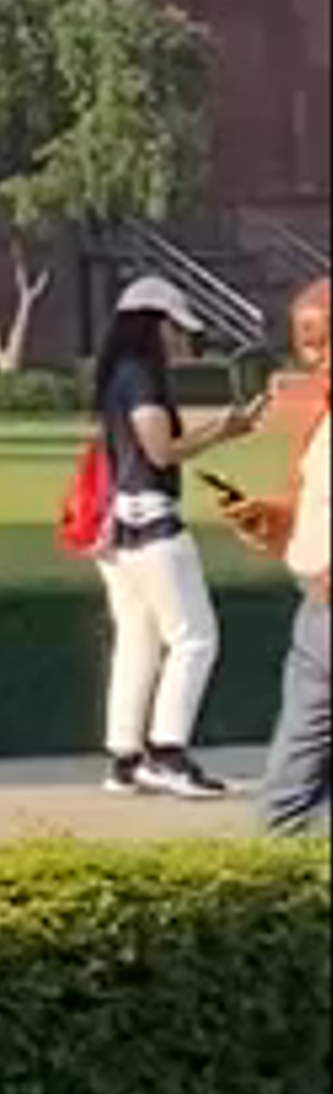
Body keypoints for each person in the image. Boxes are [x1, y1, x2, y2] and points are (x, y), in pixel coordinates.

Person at [90, 279, 251, 802]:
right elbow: (161, 451)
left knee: (137, 640)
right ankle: (168, 753)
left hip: (120, 525)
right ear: (155, 325)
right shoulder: (142, 377)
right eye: (179, 331)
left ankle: (125, 757)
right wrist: (223, 432)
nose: (183, 343)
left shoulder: (117, 373)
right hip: (154, 522)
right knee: (194, 637)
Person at [219, 270, 332, 839]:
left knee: (284, 815)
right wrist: (271, 521)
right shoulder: (321, 417)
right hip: (315, 613)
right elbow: (310, 507)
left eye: (328, 340)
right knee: (284, 810)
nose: (319, 358)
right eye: (308, 345)